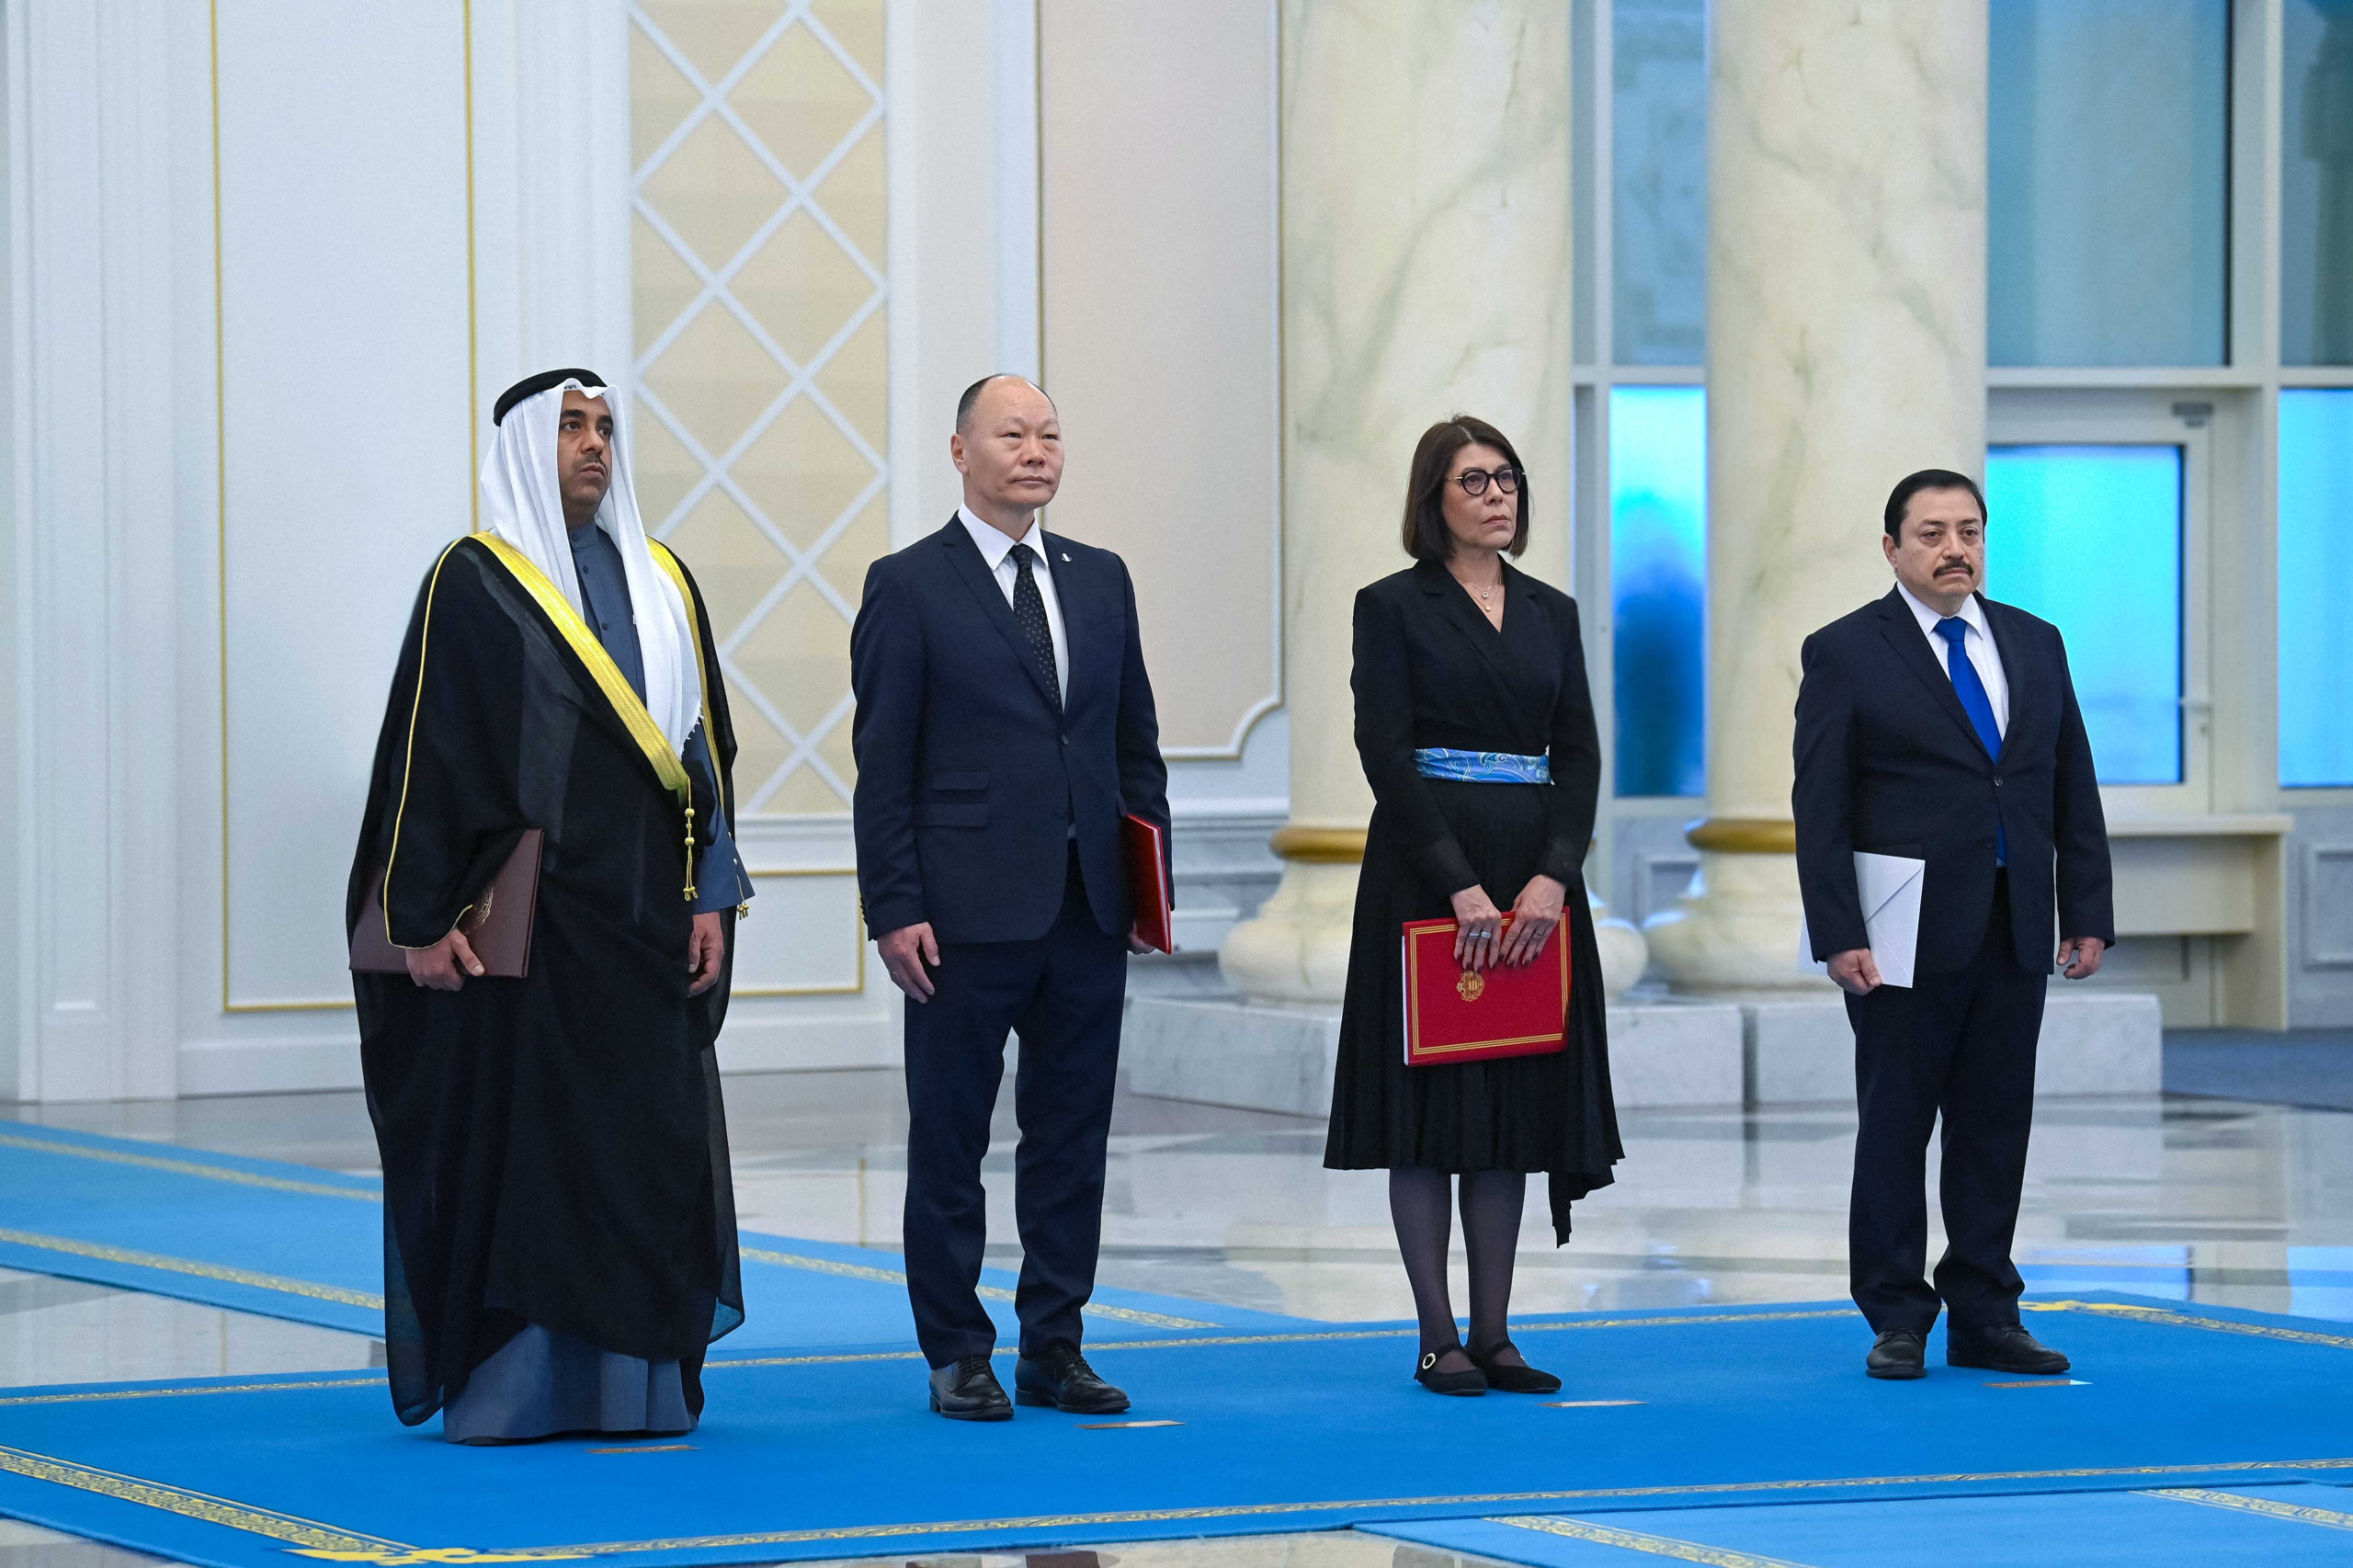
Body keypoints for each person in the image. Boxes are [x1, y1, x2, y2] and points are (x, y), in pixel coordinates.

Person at [348, 369, 752, 1443]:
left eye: (605, 426)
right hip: (534, 930)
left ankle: (636, 1390)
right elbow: (430, 754)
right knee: (540, 1157)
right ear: (528, 445)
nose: (593, 445)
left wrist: (710, 896)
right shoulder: (475, 580)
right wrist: (419, 918)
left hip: (647, 916)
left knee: (643, 1150)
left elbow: (702, 755)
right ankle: (521, 1391)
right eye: (571, 426)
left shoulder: (663, 578)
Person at [850, 373, 1171, 1422]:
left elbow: (1134, 748)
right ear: (960, 451)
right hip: (959, 916)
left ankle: (1054, 1345)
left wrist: (1150, 887)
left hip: (1087, 910)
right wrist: (894, 905)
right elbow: (882, 766)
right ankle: (956, 1349)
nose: (1036, 451)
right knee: (950, 1142)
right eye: (1012, 434)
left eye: (1050, 435)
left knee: (1071, 1139)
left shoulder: (1101, 579)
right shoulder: (908, 584)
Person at [1793, 468, 2115, 1382]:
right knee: (1895, 1126)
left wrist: (2086, 908)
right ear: (1891, 547)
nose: (1953, 549)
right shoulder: (1846, 650)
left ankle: (1985, 1312)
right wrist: (1837, 929)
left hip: (2014, 921)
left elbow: (2069, 783)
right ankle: (1897, 1315)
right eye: (1931, 533)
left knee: (1994, 1126)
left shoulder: (2034, 641)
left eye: (1968, 531)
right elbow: (1820, 804)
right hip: (1901, 929)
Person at [1325, 415, 1622, 1397]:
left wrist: (1554, 874)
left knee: (1509, 1103)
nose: (1498, 496)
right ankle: (1437, 1336)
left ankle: (1495, 1334)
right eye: (1475, 481)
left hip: (1534, 877)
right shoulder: (1392, 605)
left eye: (1508, 479)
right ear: (1435, 499)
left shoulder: (1550, 610)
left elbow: (1578, 753)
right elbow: (1384, 752)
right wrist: (1458, 882)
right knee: (1430, 1108)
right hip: (1427, 872)